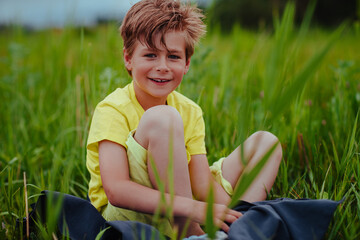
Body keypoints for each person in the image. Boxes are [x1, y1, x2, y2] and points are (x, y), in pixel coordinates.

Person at [86, 0, 283, 238]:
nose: (162, 66)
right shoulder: (112, 109)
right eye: (150, 55)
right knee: (164, 118)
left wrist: (224, 211)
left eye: (173, 56)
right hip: (130, 213)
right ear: (128, 59)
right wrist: (194, 209)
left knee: (267, 142)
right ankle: (190, 233)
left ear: (187, 63)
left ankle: (242, 224)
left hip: (184, 197)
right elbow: (117, 190)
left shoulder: (190, 110)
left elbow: (200, 184)